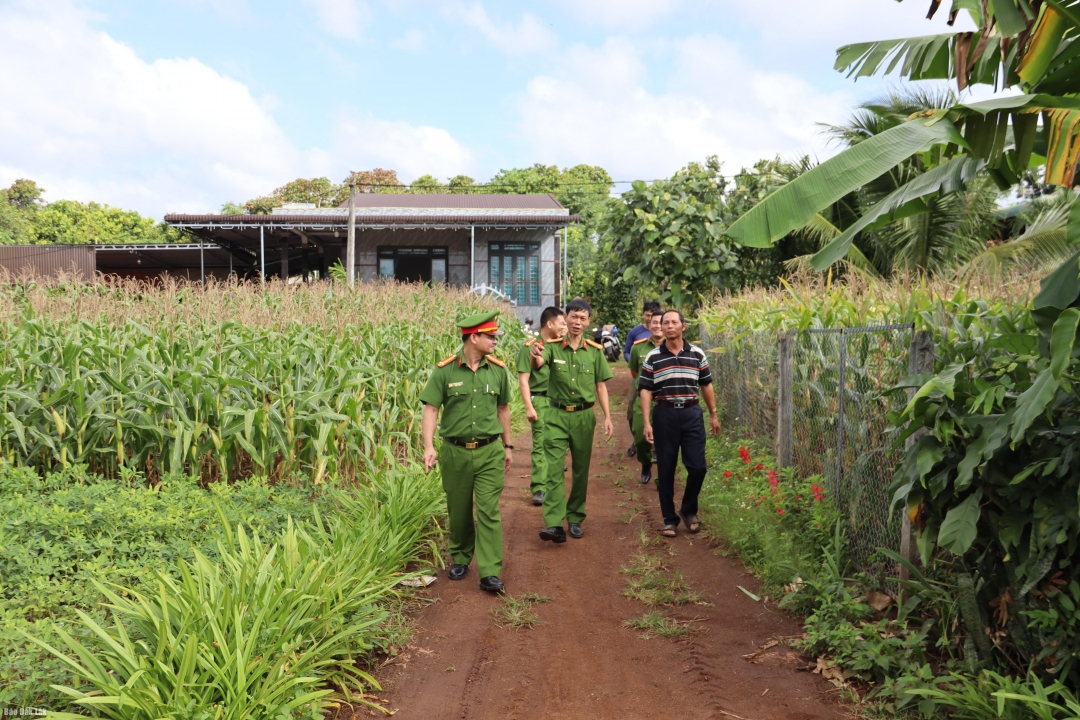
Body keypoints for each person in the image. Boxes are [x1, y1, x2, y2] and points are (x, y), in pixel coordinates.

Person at [420, 310, 514, 593]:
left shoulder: (498, 370)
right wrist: (428, 447)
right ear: (473, 337)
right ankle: (461, 557)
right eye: (491, 337)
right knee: (459, 509)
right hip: (455, 452)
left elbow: (503, 409)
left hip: (489, 451)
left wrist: (508, 446)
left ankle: (490, 572)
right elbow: (431, 409)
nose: (495, 341)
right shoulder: (445, 371)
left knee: (488, 510)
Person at [530, 297, 614, 542]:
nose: (577, 322)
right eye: (574, 317)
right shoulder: (552, 347)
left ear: (588, 322)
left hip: (584, 416)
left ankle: (575, 517)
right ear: (565, 318)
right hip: (556, 415)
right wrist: (535, 355)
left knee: (580, 469)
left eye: (583, 318)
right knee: (554, 469)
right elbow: (538, 363)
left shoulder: (595, 352)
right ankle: (554, 524)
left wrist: (608, 417)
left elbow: (601, 386)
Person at [640, 310, 721, 538]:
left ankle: (688, 510)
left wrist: (713, 414)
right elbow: (645, 390)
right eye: (665, 323)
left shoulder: (696, 354)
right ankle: (669, 519)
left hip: (691, 413)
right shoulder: (653, 357)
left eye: (674, 322)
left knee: (698, 466)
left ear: (683, 326)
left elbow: (706, 384)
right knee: (665, 468)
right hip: (664, 414)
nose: (669, 326)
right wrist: (646, 422)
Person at [517, 307, 567, 507]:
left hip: (561, 403)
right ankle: (539, 487)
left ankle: (554, 482)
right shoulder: (531, 347)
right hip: (541, 401)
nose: (564, 327)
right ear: (549, 324)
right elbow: (523, 380)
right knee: (540, 445)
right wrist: (529, 407)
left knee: (559, 443)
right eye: (561, 323)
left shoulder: (562, 347)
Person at [627, 311, 664, 484]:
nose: (657, 325)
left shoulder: (673, 347)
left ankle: (661, 477)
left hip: (665, 401)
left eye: (661, 322)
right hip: (644, 399)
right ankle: (646, 462)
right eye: (654, 322)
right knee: (641, 439)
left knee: (665, 441)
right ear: (649, 325)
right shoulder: (638, 348)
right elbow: (635, 372)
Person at [625, 300, 661, 458]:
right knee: (632, 412)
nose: (650, 319)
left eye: (653, 316)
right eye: (648, 316)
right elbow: (628, 354)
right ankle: (638, 439)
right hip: (640, 381)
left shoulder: (669, 340)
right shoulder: (636, 333)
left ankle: (655, 448)